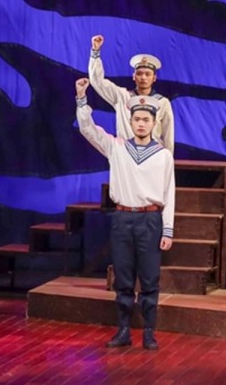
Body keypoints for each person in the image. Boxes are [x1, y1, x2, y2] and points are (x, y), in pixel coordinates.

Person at [75, 78, 174, 350]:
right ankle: (123, 330)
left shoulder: (163, 155)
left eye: (146, 119)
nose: (141, 123)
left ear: (154, 123)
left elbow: (169, 194)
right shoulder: (116, 147)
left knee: (150, 278)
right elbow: (88, 129)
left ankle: (149, 332)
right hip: (122, 218)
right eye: (137, 119)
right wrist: (82, 98)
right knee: (123, 277)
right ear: (130, 122)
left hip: (150, 220)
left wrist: (167, 229)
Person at [88, 35, 175, 153]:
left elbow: (168, 135)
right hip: (126, 156)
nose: (143, 77)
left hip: (153, 157)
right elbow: (97, 81)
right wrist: (95, 52)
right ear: (134, 76)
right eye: (139, 73)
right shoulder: (122, 96)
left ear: (154, 78)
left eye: (147, 74)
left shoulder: (162, 102)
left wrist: (168, 160)